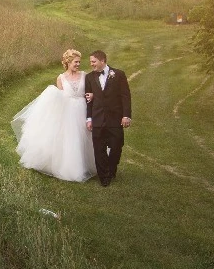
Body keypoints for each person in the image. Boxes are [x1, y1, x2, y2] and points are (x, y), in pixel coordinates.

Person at [11, 49, 97, 182]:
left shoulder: (85, 76)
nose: (78, 64)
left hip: (82, 109)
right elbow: (61, 97)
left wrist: (91, 95)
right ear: (68, 62)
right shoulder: (61, 78)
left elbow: (90, 92)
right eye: (76, 62)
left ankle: (86, 164)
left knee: (83, 138)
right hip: (68, 111)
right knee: (70, 139)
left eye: (79, 62)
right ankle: (71, 168)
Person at [85, 50, 132, 187]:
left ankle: (111, 168)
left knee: (117, 146)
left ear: (102, 61)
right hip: (97, 118)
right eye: (91, 62)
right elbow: (88, 99)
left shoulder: (118, 75)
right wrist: (89, 118)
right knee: (99, 149)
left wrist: (126, 115)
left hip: (115, 119)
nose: (91, 64)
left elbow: (125, 96)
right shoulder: (89, 77)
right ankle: (104, 177)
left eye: (93, 61)